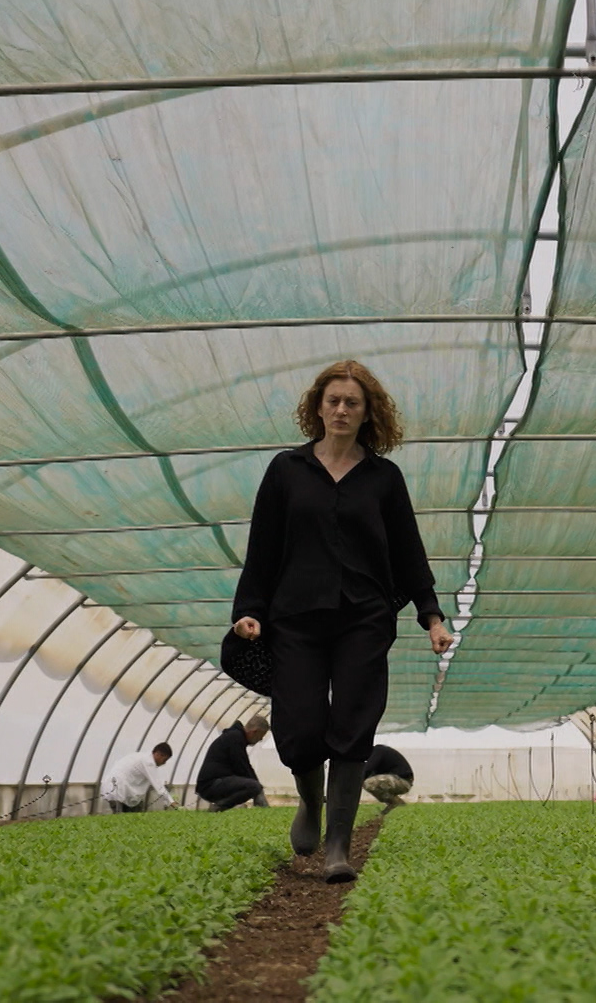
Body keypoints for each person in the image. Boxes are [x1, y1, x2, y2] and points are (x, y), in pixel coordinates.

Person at [230, 360, 453, 883]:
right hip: (295, 617)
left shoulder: (383, 479)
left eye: (353, 402)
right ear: (318, 407)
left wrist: (432, 617)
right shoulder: (286, 470)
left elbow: (408, 553)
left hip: (363, 618)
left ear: (368, 412)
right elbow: (262, 548)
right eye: (333, 400)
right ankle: (311, 802)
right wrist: (249, 611)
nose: (342, 409)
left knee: (353, 723)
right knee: (300, 724)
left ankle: (337, 847)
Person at [196, 715, 271, 810]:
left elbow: (244, 767)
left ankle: (219, 807)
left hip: (214, 783)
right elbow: (242, 767)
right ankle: (218, 807)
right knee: (253, 786)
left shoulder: (235, 737)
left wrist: (258, 788)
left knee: (254, 786)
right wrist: (258, 789)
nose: (260, 740)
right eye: (261, 736)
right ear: (254, 732)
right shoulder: (235, 738)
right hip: (211, 785)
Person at [102, 742, 175, 813]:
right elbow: (159, 786)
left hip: (122, 790)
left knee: (134, 816)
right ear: (158, 754)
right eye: (164, 760)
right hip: (117, 789)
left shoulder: (143, 757)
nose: (164, 763)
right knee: (119, 817)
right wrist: (172, 802)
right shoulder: (148, 762)